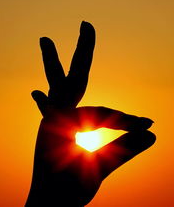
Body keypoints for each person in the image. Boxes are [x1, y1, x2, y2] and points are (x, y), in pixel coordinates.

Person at [25, 21, 156, 206]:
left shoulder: (73, 182)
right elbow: (144, 138)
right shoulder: (76, 181)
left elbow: (143, 138)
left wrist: (44, 194)